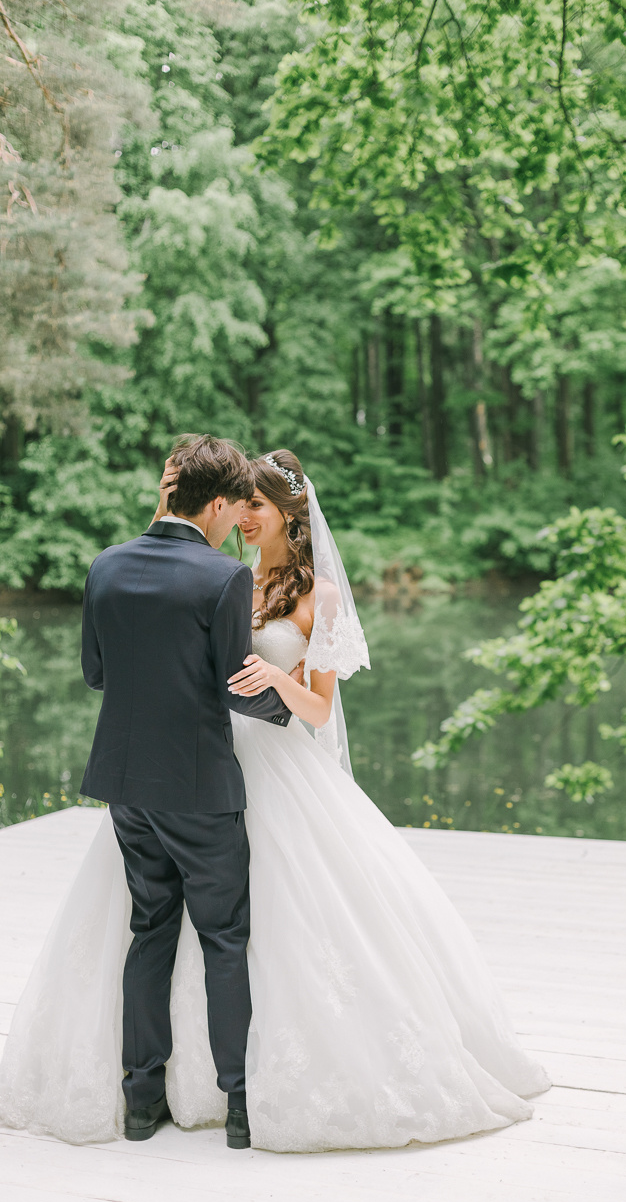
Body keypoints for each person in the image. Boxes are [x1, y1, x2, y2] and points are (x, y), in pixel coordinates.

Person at [0, 443, 549, 1153]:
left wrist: (276, 684)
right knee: (203, 934)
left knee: (227, 929)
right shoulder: (227, 576)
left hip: (246, 767)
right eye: (240, 503)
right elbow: (205, 662)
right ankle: (214, 1097)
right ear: (222, 504)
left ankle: (196, 1097)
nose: (247, 517)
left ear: (288, 513)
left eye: (259, 505)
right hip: (205, 769)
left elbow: (315, 710)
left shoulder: (307, 593)